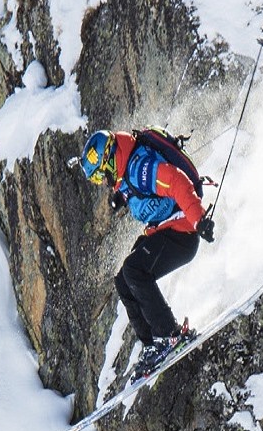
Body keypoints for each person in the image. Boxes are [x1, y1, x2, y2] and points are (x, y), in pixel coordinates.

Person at [80, 129, 215, 378]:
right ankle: (152, 344)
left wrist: (199, 219)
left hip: (183, 231)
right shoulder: (126, 171)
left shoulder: (140, 169)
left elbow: (177, 181)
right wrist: (123, 195)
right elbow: (134, 186)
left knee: (135, 271)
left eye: (100, 177)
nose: (102, 183)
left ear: (108, 161)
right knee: (123, 279)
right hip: (164, 228)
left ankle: (169, 336)